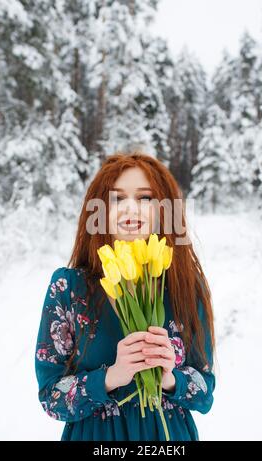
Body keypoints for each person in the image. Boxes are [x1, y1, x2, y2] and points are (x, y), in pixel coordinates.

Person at [35, 151, 216, 441]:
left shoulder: (186, 286)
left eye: (145, 198)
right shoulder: (68, 288)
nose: (131, 208)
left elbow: (205, 393)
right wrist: (111, 377)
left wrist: (169, 377)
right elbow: (50, 397)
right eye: (117, 199)